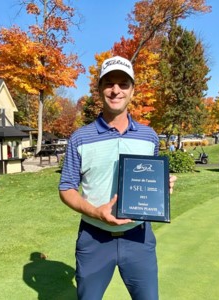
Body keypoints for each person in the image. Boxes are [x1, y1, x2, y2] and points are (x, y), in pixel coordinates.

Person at [58, 56, 177, 300]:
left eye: (123, 84)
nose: (116, 90)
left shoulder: (149, 137)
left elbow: (150, 180)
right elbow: (66, 188)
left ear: (132, 90)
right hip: (94, 238)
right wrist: (95, 212)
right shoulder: (80, 138)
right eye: (109, 83)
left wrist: (161, 188)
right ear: (100, 89)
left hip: (139, 238)